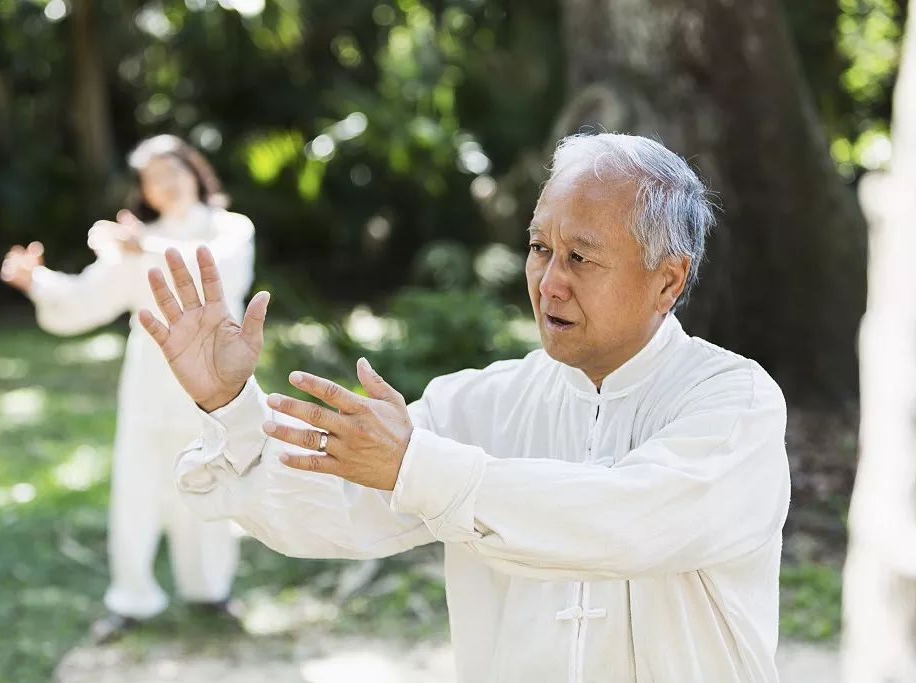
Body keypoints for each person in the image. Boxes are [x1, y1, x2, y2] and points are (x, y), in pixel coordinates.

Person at [139, 133, 791, 681]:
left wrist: (421, 467)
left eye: (580, 257)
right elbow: (330, 511)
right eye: (540, 249)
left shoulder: (735, 404)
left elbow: (628, 516)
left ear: (668, 279)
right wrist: (228, 403)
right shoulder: (483, 403)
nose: (549, 281)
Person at [0, 135, 254, 642]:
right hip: (150, 370)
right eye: (153, 179)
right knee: (138, 476)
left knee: (212, 469)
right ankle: (132, 595)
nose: (166, 184)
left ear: (194, 171)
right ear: (145, 191)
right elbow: (90, 298)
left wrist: (147, 248)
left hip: (211, 366)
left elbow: (220, 274)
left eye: (173, 170)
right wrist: (39, 281)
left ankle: (210, 589)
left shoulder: (230, 229)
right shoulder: (136, 241)